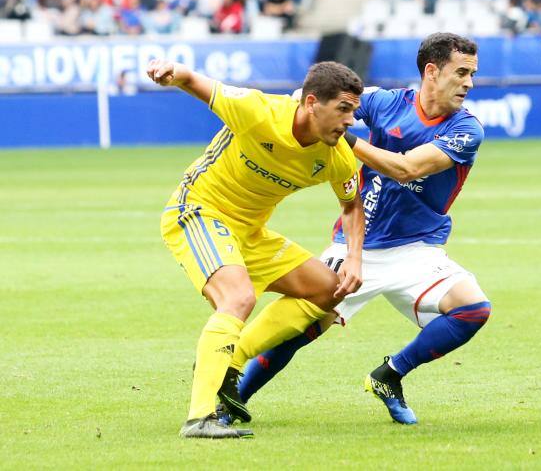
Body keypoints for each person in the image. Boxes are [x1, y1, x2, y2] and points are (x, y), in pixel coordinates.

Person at [234, 33, 492, 425]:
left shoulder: (466, 129)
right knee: (300, 326)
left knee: (473, 309)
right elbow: (305, 100)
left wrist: (341, 136)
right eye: (461, 72)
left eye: (472, 74)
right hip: (358, 244)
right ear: (432, 71)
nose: (469, 83)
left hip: (417, 249)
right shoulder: (385, 102)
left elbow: (407, 168)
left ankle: (390, 375)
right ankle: (233, 399)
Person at [149, 58, 366, 438]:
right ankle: (200, 418)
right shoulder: (259, 111)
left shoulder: (336, 157)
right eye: (343, 109)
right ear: (312, 102)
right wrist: (171, 73)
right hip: (198, 211)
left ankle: (232, 359)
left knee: (330, 293)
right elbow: (197, 82)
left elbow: (351, 206)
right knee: (238, 297)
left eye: (354, 112)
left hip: (250, 233)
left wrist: (354, 257)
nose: (350, 122)